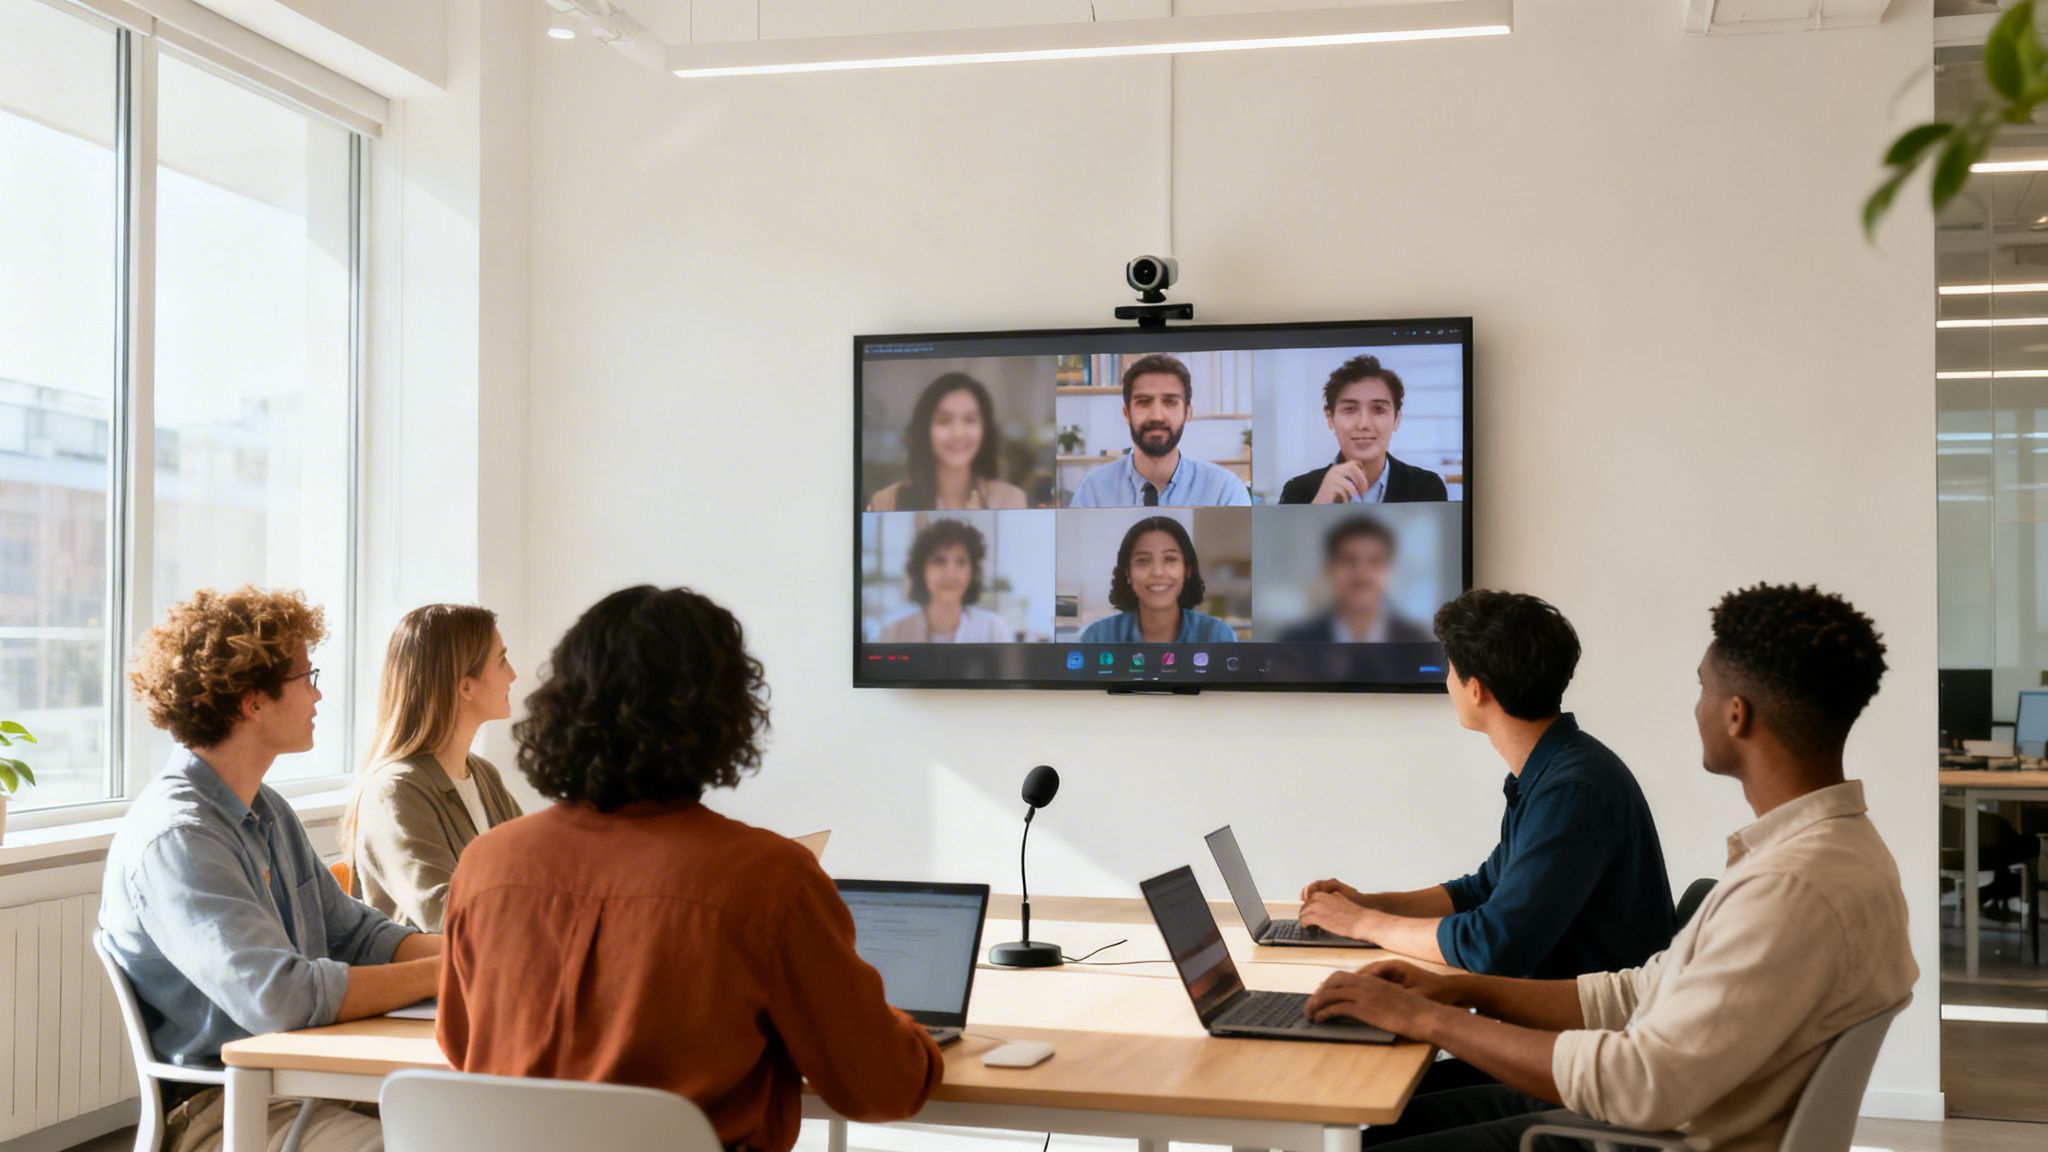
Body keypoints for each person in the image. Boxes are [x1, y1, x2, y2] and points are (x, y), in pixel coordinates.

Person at [1305, 584, 1916, 1152]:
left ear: (1736, 715)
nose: (1695, 709)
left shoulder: (1793, 887)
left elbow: (1641, 1079)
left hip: (1652, 1135)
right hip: (1664, 1112)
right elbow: (1641, 990)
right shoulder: (1816, 854)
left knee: (1366, 1133)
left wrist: (1427, 1016)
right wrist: (1457, 990)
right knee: (1379, 1114)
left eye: (1702, 689)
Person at [439, 586, 941, 1152]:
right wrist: (903, 1033)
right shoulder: (769, 879)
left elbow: (463, 1046)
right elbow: (881, 1087)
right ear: (723, 713)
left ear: (564, 703)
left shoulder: (486, 865)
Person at [100, 586, 441, 1152]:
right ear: (252, 701)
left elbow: (355, 933)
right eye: (306, 677)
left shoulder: (265, 807)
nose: (317, 693)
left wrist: (472, 953)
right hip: (229, 1108)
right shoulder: (180, 837)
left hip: (312, 1081)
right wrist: (448, 974)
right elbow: (277, 998)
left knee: (500, 1114)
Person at [1299, 590, 1674, 978]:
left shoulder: (1573, 791)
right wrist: (1367, 906)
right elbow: (1479, 892)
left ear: (1476, 689)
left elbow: (1493, 946)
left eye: (1449, 668)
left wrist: (1362, 925)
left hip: (1589, 1032)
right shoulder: (1553, 771)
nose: (1447, 681)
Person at [345, 604, 524, 932]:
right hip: (437, 981)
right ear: (465, 686)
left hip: (497, 971)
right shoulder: (395, 790)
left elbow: (536, 873)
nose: (513, 674)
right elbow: (446, 915)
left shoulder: (484, 776)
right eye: (501, 660)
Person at [1069, 353, 1251, 508]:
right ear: (1126, 414)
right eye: (1144, 402)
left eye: (1170, 402)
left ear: (1188, 413)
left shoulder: (1225, 492)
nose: (1156, 415)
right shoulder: (1093, 492)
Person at [1279, 355, 1448, 504]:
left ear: (1396, 419)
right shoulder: (1297, 492)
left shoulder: (1427, 488)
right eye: (1350, 409)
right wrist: (1315, 510)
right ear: (1330, 417)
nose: (1363, 424)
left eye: (1379, 409)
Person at [867, 372, 1029, 511]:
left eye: (970, 420)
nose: (958, 433)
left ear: (985, 429)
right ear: (924, 429)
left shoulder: (1010, 499)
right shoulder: (886, 502)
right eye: (943, 421)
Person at [1079, 516, 1238, 643]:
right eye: (1143, 561)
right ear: (1127, 572)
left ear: (1187, 569)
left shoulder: (1217, 635)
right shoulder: (1097, 637)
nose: (1157, 572)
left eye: (1170, 559)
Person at [1277, 516, 1434, 644]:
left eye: (1375, 561)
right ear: (1330, 569)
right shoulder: (1294, 641)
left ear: (1390, 570)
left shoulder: (1418, 640)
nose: (1362, 573)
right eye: (1348, 560)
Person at [877, 519, 1017, 642]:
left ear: (972, 572)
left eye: (960, 562)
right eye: (939, 561)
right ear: (922, 570)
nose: (951, 574)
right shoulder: (891, 634)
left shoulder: (994, 630)